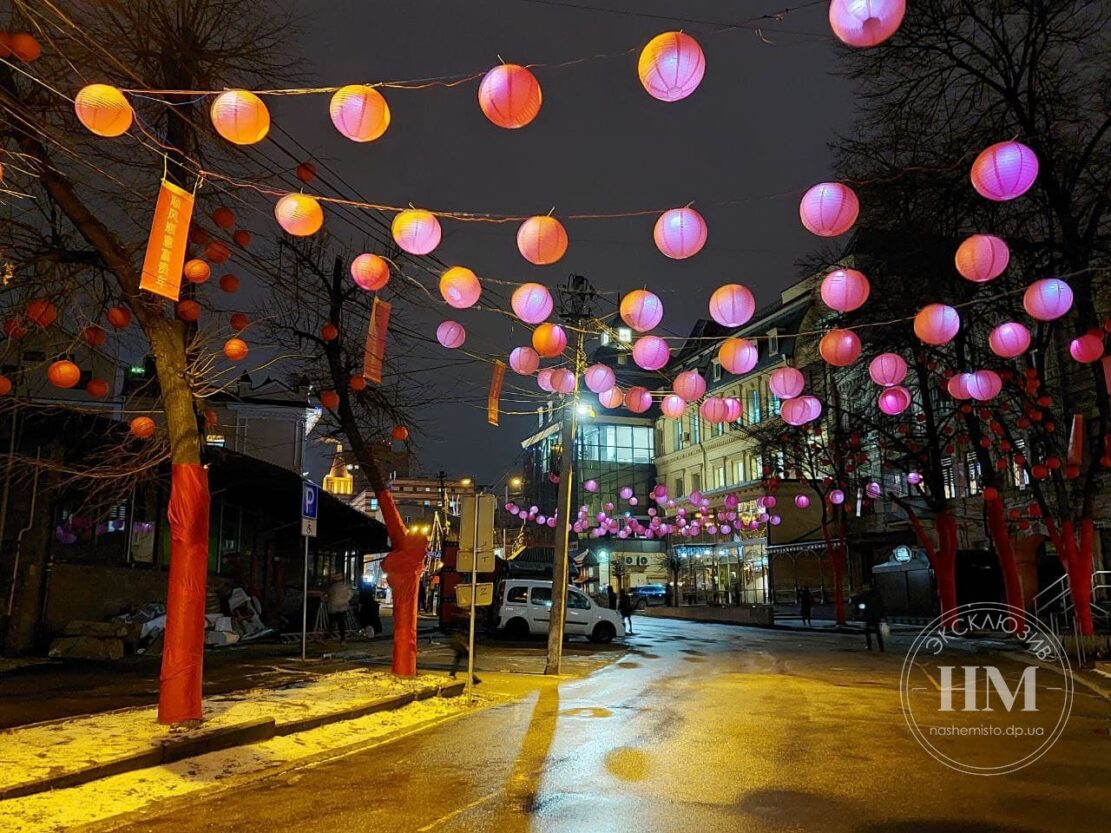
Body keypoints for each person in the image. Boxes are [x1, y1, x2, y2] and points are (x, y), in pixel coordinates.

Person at [852, 583, 886, 652]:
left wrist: (856, 613)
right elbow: (881, 605)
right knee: (878, 632)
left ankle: (869, 645)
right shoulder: (876, 594)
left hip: (868, 615)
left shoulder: (863, 595)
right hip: (876, 615)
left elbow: (857, 603)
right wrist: (883, 616)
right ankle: (881, 647)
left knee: (867, 631)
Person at [448, 621, 481, 685]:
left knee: (458, 660)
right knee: (469, 661)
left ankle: (452, 674)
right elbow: (463, 634)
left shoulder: (464, 622)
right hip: (462, 646)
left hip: (460, 645)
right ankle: (473, 678)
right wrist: (466, 646)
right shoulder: (466, 622)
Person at [325, 572, 354, 643]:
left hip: (334, 607)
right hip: (341, 607)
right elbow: (350, 595)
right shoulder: (345, 586)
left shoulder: (332, 587)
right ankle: (342, 638)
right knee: (341, 623)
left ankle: (328, 636)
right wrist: (345, 601)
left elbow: (328, 595)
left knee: (332, 622)